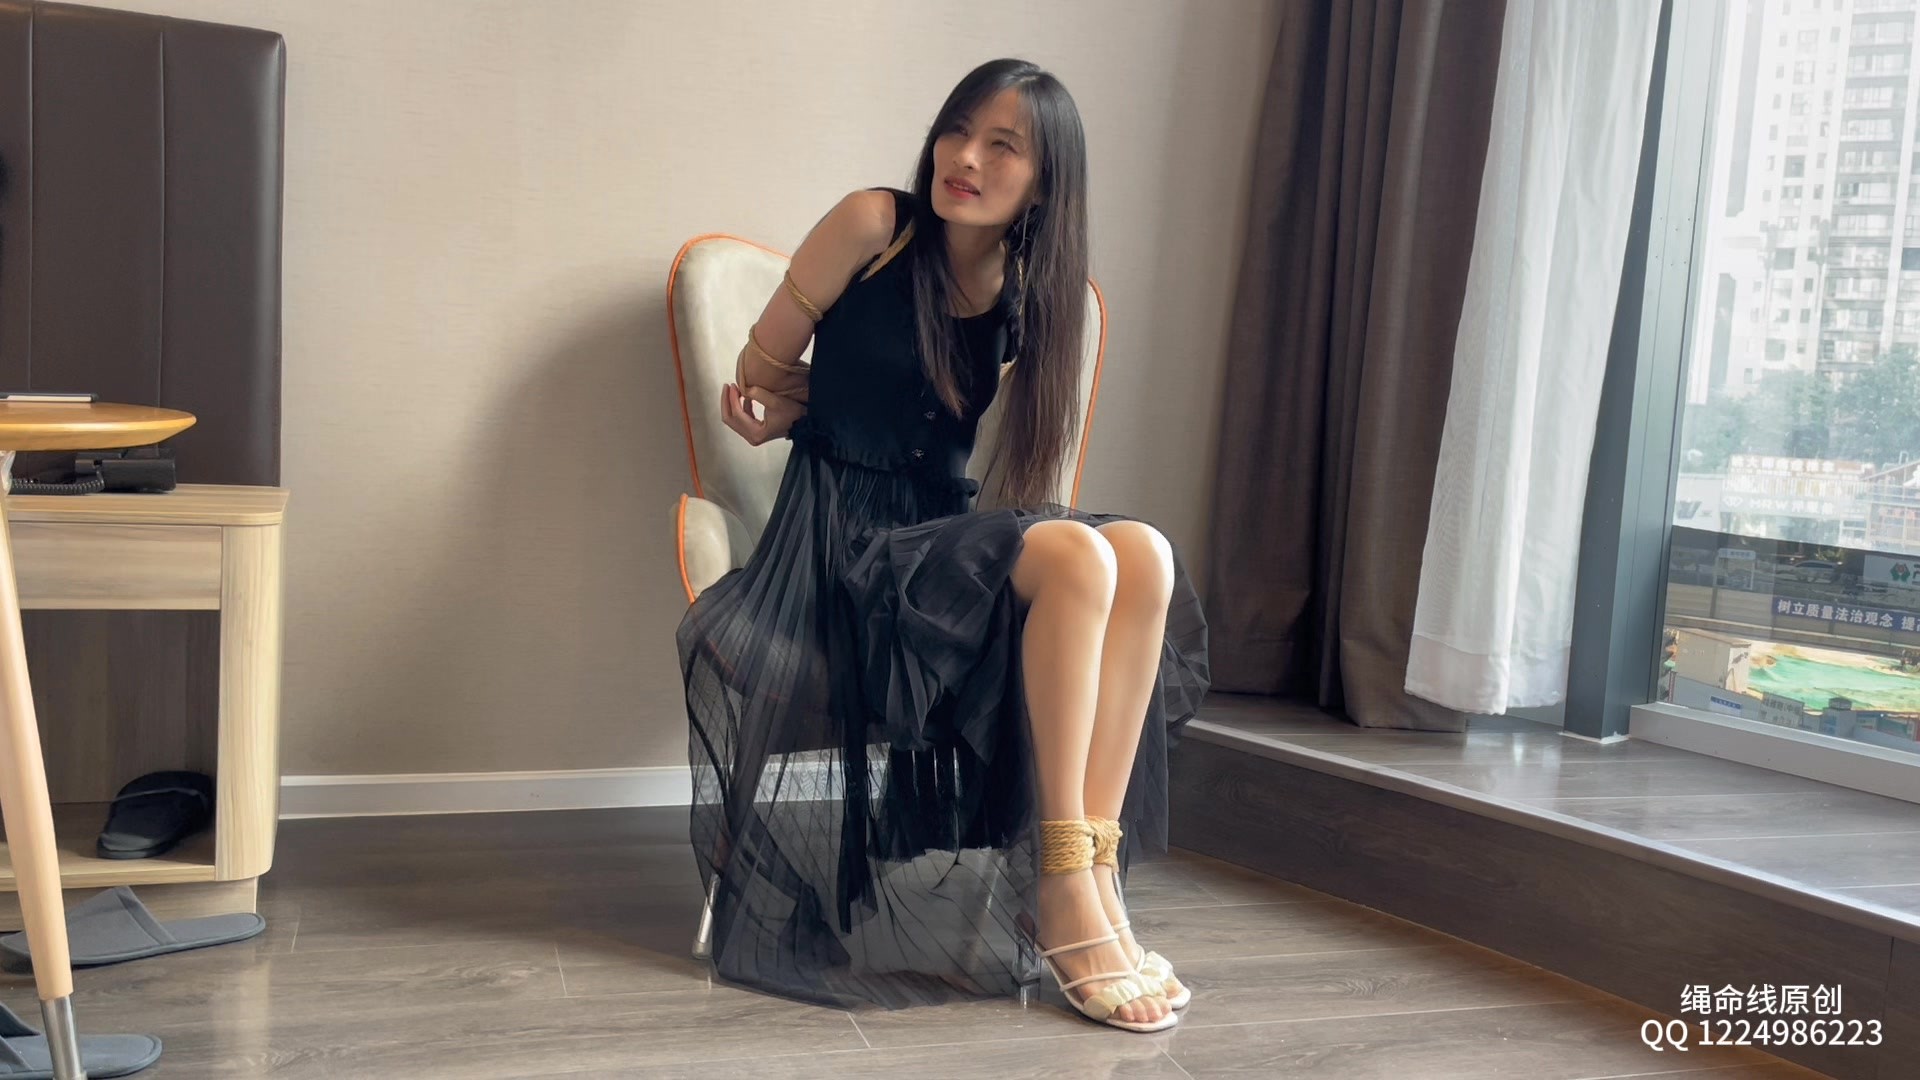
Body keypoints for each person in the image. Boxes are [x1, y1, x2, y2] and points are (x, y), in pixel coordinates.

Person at [678, 58, 1209, 1033]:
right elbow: (759, 373)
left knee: (1144, 554)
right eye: (959, 130)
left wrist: (821, 403)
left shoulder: (1030, 293)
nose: (965, 158)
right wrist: (783, 404)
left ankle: (1092, 881)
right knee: (1080, 555)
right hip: (837, 548)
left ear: (1045, 184)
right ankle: (1062, 892)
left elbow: (996, 465)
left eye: (1003, 146)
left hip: (935, 545)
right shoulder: (873, 226)